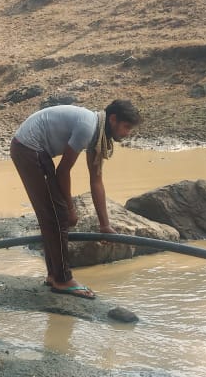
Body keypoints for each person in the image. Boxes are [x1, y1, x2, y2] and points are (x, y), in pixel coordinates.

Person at [10, 100, 141, 299]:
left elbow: (96, 180)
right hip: (28, 148)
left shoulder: (97, 134)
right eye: (126, 127)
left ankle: (54, 276)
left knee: (52, 215)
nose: (127, 133)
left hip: (32, 150)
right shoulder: (88, 127)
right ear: (113, 119)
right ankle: (63, 279)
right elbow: (63, 171)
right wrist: (70, 208)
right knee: (58, 215)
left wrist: (104, 225)